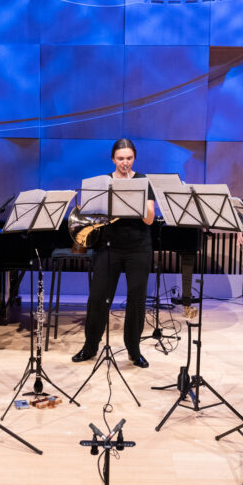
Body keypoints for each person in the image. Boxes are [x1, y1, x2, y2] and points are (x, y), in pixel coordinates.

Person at [71, 138, 156, 368]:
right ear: (113, 159)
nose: (125, 163)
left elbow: (149, 218)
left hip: (138, 248)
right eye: (120, 159)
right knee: (97, 298)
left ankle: (134, 350)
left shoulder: (143, 181)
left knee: (136, 301)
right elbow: (89, 212)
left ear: (134, 158)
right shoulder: (103, 182)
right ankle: (90, 347)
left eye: (129, 158)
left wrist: (132, 197)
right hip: (108, 247)